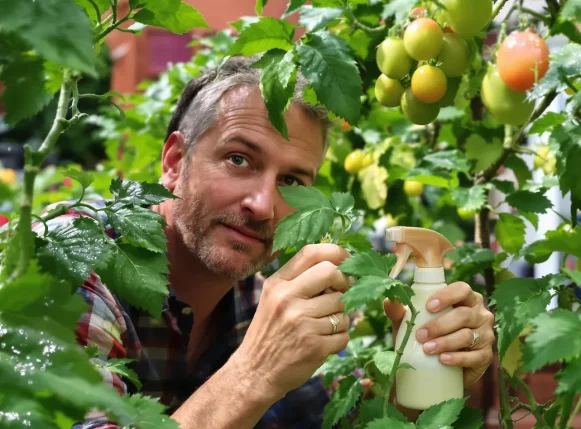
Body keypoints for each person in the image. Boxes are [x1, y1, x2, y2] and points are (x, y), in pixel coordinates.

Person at [56, 55, 495, 429]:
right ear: (174, 161)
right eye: (238, 159)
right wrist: (253, 373)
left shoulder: (254, 299)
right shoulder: (70, 261)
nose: (263, 205)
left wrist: (423, 380)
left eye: (290, 180)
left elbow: (322, 420)